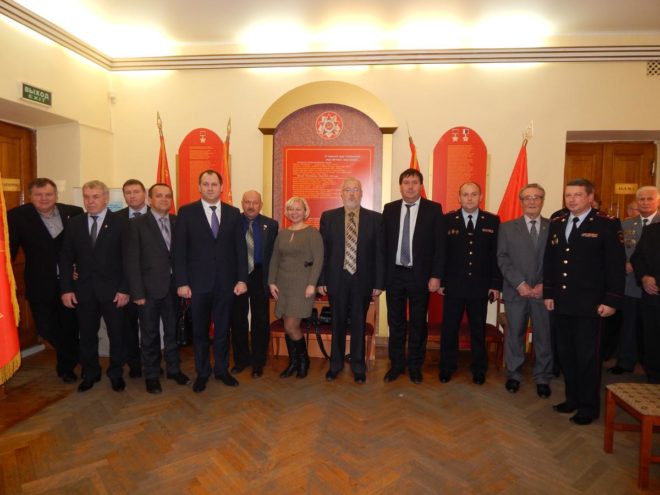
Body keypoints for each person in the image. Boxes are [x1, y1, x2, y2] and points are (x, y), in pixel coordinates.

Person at [544, 178, 625, 425]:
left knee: (588, 358)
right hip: (562, 303)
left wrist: (612, 300)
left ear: (590, 197)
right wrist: (549, 293)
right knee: (566, 354)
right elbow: (550, 262)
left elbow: (615, 266)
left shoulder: (606, 224)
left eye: (578, 195)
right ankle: (572, 399)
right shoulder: (558, 223)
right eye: (568, 195)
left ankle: (589, 407)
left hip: (591, 305)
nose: (572, 199)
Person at [173, 170, 248, 393]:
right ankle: (203, 372)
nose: (210, 188)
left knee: (223, 330)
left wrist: (242, 279)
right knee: (200, 332)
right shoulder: (186, 212)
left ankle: (222, 370)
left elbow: (240, 250)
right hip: (197, 285)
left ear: (221, 187)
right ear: (199, 187)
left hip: (226, 284)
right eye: (205, 184)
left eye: (214, 184)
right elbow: (179, 251)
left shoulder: (234, 213)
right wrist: (182, 282)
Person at [8, 178, 83, 383]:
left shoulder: (74, 213)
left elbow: (84, 246)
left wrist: (79, 268)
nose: (44, 198)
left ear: (56, 195)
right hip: (39, 283)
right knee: (45, 327)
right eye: (38, 195)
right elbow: (10, 250)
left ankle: (66, 369)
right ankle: (78, 355)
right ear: (30, 196)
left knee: (69, 327)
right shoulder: (17, 216)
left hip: (70, 283)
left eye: (48, 194)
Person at [60, 180, 131, 393]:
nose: (90, 201)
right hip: (84, 291)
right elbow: (66, 258)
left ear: (106, 198)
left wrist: (125, 289)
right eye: (87, 197)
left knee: (117, 335)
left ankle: (116, 373)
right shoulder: (74, 223)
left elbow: (129, 259)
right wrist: (66, 289)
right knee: (87, 335)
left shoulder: (121, 223)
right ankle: (90, 373)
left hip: (114, 292)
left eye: (95, 197)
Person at [318, 178, 385, 384]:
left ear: (361, 193)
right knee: (337, 323)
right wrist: (322, 279)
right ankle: (335, 365)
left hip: (362, 280)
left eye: (356, 189)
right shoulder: (328, 217)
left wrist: (379, 283)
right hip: (336, 279)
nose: (352, 194)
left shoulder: (375, 219)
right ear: (341, 193)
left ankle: (358, 366)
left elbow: (380, 253)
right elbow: (323, 252)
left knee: (358, 323)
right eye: (348, 190)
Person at [126, 183, 190, 394]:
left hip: (174, 288)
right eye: (159, 195)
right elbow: (132, 261)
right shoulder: (136, 224)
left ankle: (173, 369)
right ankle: (152, 375)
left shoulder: (177, 221)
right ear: (149, 199)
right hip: (148, 290)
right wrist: (137, 293)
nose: (164, 199)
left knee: (172, 332)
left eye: (168, 196)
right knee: (150, 334)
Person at [382, 168, 445, 384]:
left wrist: (436, 276)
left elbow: (440, 247)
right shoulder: (389, 209)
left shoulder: (433, 209)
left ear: (421, 186)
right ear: (400, 186)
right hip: (394, 275)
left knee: (418, 323)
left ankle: (415, 366)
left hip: (420, 276)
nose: (410, 187)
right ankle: (396, 365)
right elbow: (383, 245)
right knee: (395, 322)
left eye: (414, 182)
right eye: (406, 183)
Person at [439, 182, 501, 385]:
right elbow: (442, 254)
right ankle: (447, 366)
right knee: (449, 329)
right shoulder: (447, 220)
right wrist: (441, 281)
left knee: (478, 330)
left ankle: (479, 368)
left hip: (479, 286)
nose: (470, 198)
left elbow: (496, 255)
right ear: (459, 198)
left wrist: (495, 284)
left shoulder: (492, 220)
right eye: (465, 194)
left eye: (474, 194)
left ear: (480, 197)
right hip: (453, 285)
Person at [497, 183, 552, 398]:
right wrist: (519, 283)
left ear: (542, 201)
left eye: (536, 197)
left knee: (544, 336)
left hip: (543, 293)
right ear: (521, 202)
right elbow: (502, 258)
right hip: (516, 291)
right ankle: (514, 374)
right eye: (527, 198)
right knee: (515, 334)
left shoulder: (553, 227)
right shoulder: (507, 228)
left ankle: (543, 377)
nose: (532, 201)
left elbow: (557, 261)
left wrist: (544, 286)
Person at [268, 197, 324, 379]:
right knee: (287, 325)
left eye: (298, 209)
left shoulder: (313, 233)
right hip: (283, 284)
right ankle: (294, 362)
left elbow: (318, 260)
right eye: (291, 209)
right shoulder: (282, 234)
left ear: (305, 211)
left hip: (302, 285)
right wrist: (271, 282)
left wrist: (312, 284)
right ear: (287, 212)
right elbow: (275, 259)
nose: (294, 212)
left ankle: (304, 360)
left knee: (292, 325)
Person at [608, 186, 659, 375]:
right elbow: (616, 249)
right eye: (641, 199)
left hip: (654, 284)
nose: (645, 202)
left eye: (649, 199)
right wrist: (623, 263)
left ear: (657, 201)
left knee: (652, 327)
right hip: (630, 283)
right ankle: (625, 361)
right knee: (629, 324)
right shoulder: (627, 224)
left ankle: (651, 364)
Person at [230, 190, 278, 378]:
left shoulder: (271, 225)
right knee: (238, 319)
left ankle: (258, 361)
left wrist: (272, 280)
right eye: (247, 202)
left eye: (255, 202)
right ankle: (241, 360)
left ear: (261, 205)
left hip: (260, 275)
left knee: (260, 319)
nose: (251, 206)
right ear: (242, 203)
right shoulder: (232, 222)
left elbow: (274, 256)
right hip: (237, 276)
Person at [117, 179, 149, 378]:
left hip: (151, 283)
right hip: (125, 284)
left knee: (150, 328)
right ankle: (134, 364)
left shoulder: (157, 214)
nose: (132, 196)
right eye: (127, 192)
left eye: (136, 191)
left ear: (144, 193)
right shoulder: (116, 219)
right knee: (129, 328)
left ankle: (152, 362)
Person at [630, 220, 660, 383]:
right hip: (652, 295)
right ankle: (654, 378)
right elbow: (637, 257)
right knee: (652, 340)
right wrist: (644, 277)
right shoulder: (651, 230)